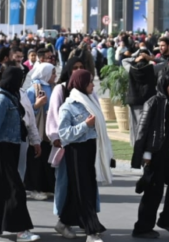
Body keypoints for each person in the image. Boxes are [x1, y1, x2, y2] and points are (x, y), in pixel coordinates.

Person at [0, 66, 40, 242]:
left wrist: (35, 140)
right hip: (0, 148)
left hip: (12, 147)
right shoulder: (1, 99)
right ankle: (21, 230)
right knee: (16, 189)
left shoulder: (14, 96)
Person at [131, 69, 169, 239]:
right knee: (153, 193)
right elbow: (143, 131)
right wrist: (145, 157)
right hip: (153, 154)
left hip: (164, 153)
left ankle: (168, 220)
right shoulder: (153, 102)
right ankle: (142, 228)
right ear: (163, 84)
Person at [58, 69, 111, 242]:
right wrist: (85, 125)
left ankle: (63, 222)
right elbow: (64, 134)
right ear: (81, 83)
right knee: (85, 191)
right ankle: (91, 232)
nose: (93, 85)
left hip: (90, 151)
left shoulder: (89, 101)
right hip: (76, 153)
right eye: (89, 82)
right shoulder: (68, 106)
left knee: (79, 190)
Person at [46, 56, 87, 237]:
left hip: (85, 144)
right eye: (74, 68)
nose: (77, 70)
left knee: (84, 184)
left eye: (81, 67)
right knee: (65, 182)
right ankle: (63, 220)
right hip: (65, 144)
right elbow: (53, 115)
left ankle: (84, 218)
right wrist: (56, 137)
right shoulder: (60, 89)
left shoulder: (87, 88)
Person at [25, 63, 57, 200]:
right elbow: (26, 110)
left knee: (46, 159)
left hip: (49, 130)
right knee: (35, 159)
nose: (55, 76)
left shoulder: (52, 87)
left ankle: (46, 187)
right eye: (53, 73)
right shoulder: (33, 89)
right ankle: (33, 188)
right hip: (38, 128)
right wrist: (37, 105)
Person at [124, 49, 158, 146]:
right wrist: (151, 58)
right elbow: (164, 62)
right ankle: (148, 145)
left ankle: (136, 145)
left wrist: (135, 58)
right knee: (149, 124)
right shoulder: (152, 68)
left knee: (135, 124)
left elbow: (123, 61)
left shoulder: (131, 68)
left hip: (135, 100)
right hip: (149, 100)